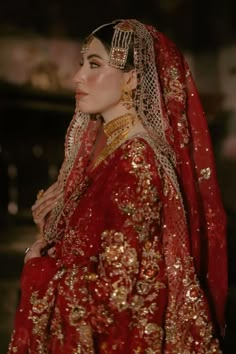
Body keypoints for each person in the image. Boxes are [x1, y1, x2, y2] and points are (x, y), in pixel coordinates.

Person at [8, 19, 227, 353]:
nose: (77, 77)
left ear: (132, 78)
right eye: (82, 63)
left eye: (94, 64)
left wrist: (37, 268)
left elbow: (116, 295)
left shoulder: (135, 161)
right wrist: (53, 229)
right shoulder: (115, 152)